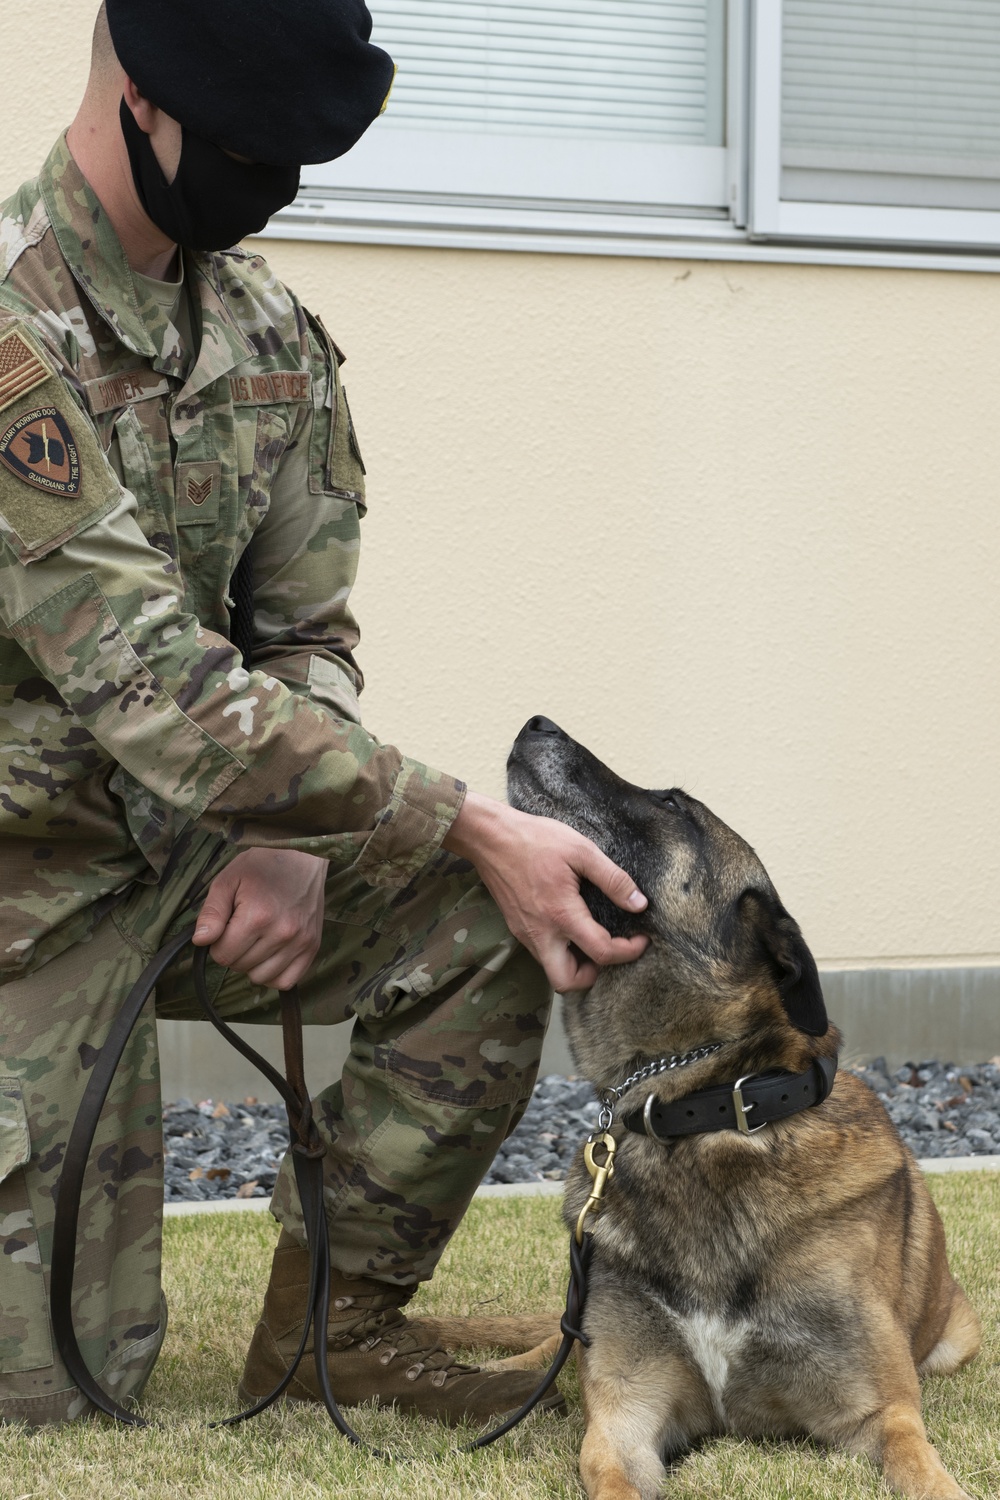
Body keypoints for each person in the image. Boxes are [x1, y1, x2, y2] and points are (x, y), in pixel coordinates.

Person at [0, 0, 649, 1428]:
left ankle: (334, 1331)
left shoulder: (266, 326)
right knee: (52, 1393)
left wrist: (293, 831)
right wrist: (457, 811)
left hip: (196, 857)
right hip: (22, 895)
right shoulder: (10, 340)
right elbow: (154, 682)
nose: (265, 189)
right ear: (140, 99)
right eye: (244, 151)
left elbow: (305, 635)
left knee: (495, 904)